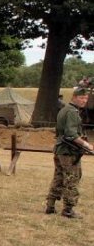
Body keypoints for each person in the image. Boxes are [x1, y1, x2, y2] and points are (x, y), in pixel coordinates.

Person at [45, 87, 93, 218]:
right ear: (74, 97)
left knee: (59, 177)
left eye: (86, 98)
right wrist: (87, 145)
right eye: (81, 98)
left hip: (60, 150)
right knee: (72, 179)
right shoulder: (72, 112)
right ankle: (68, 210)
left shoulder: (64, 109)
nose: (84, 100)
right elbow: (71, 134)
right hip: (69, 151)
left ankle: (50, 205)